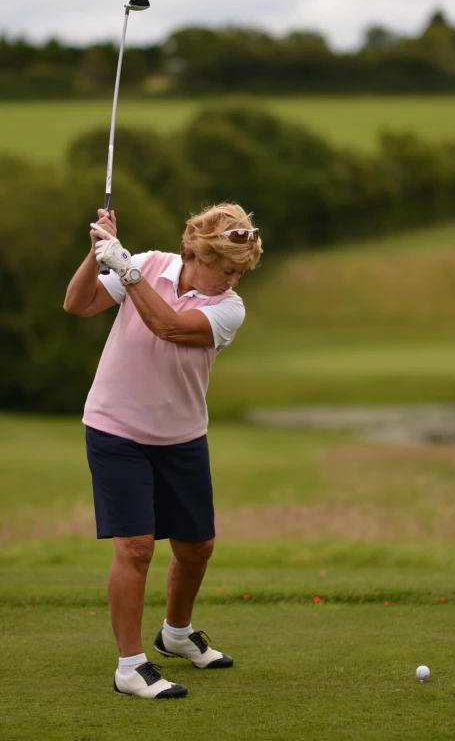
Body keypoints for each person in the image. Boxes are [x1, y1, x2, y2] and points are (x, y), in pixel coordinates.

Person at [63, 203, 262, 699]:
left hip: (182, 436)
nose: (233, 281)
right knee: (135, 548)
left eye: (239, 272)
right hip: (116, 428)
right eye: (226, 270)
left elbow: (169, 326)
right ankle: (130, 666)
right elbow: (78, 304)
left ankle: (175, 633)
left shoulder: (228, 308)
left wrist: (124, 268)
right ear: (192, 251)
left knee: (197, 549)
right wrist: (96, 255)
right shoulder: (150, 264)